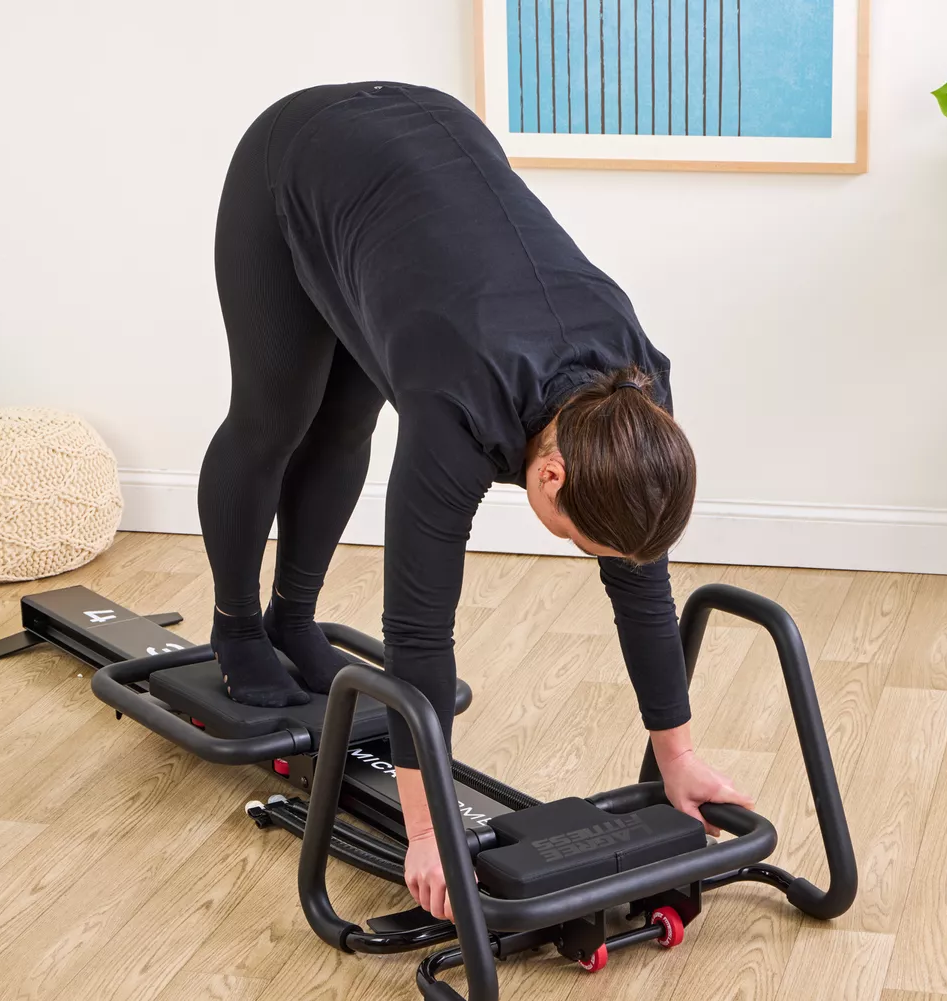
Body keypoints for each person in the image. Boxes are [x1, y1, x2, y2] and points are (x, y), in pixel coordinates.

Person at [198, 81, 752, 921]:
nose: (592, 559)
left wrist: (677, 755)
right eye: (580, 542)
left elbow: (643, 585)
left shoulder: (636, 403)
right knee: (277, 414)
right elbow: (420, 631)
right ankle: (238, 625)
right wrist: (427, 832)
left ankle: (293, 622)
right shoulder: (461, 407)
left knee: (347, 419)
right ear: (551, 476)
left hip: (419, 187)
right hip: (301, 164)